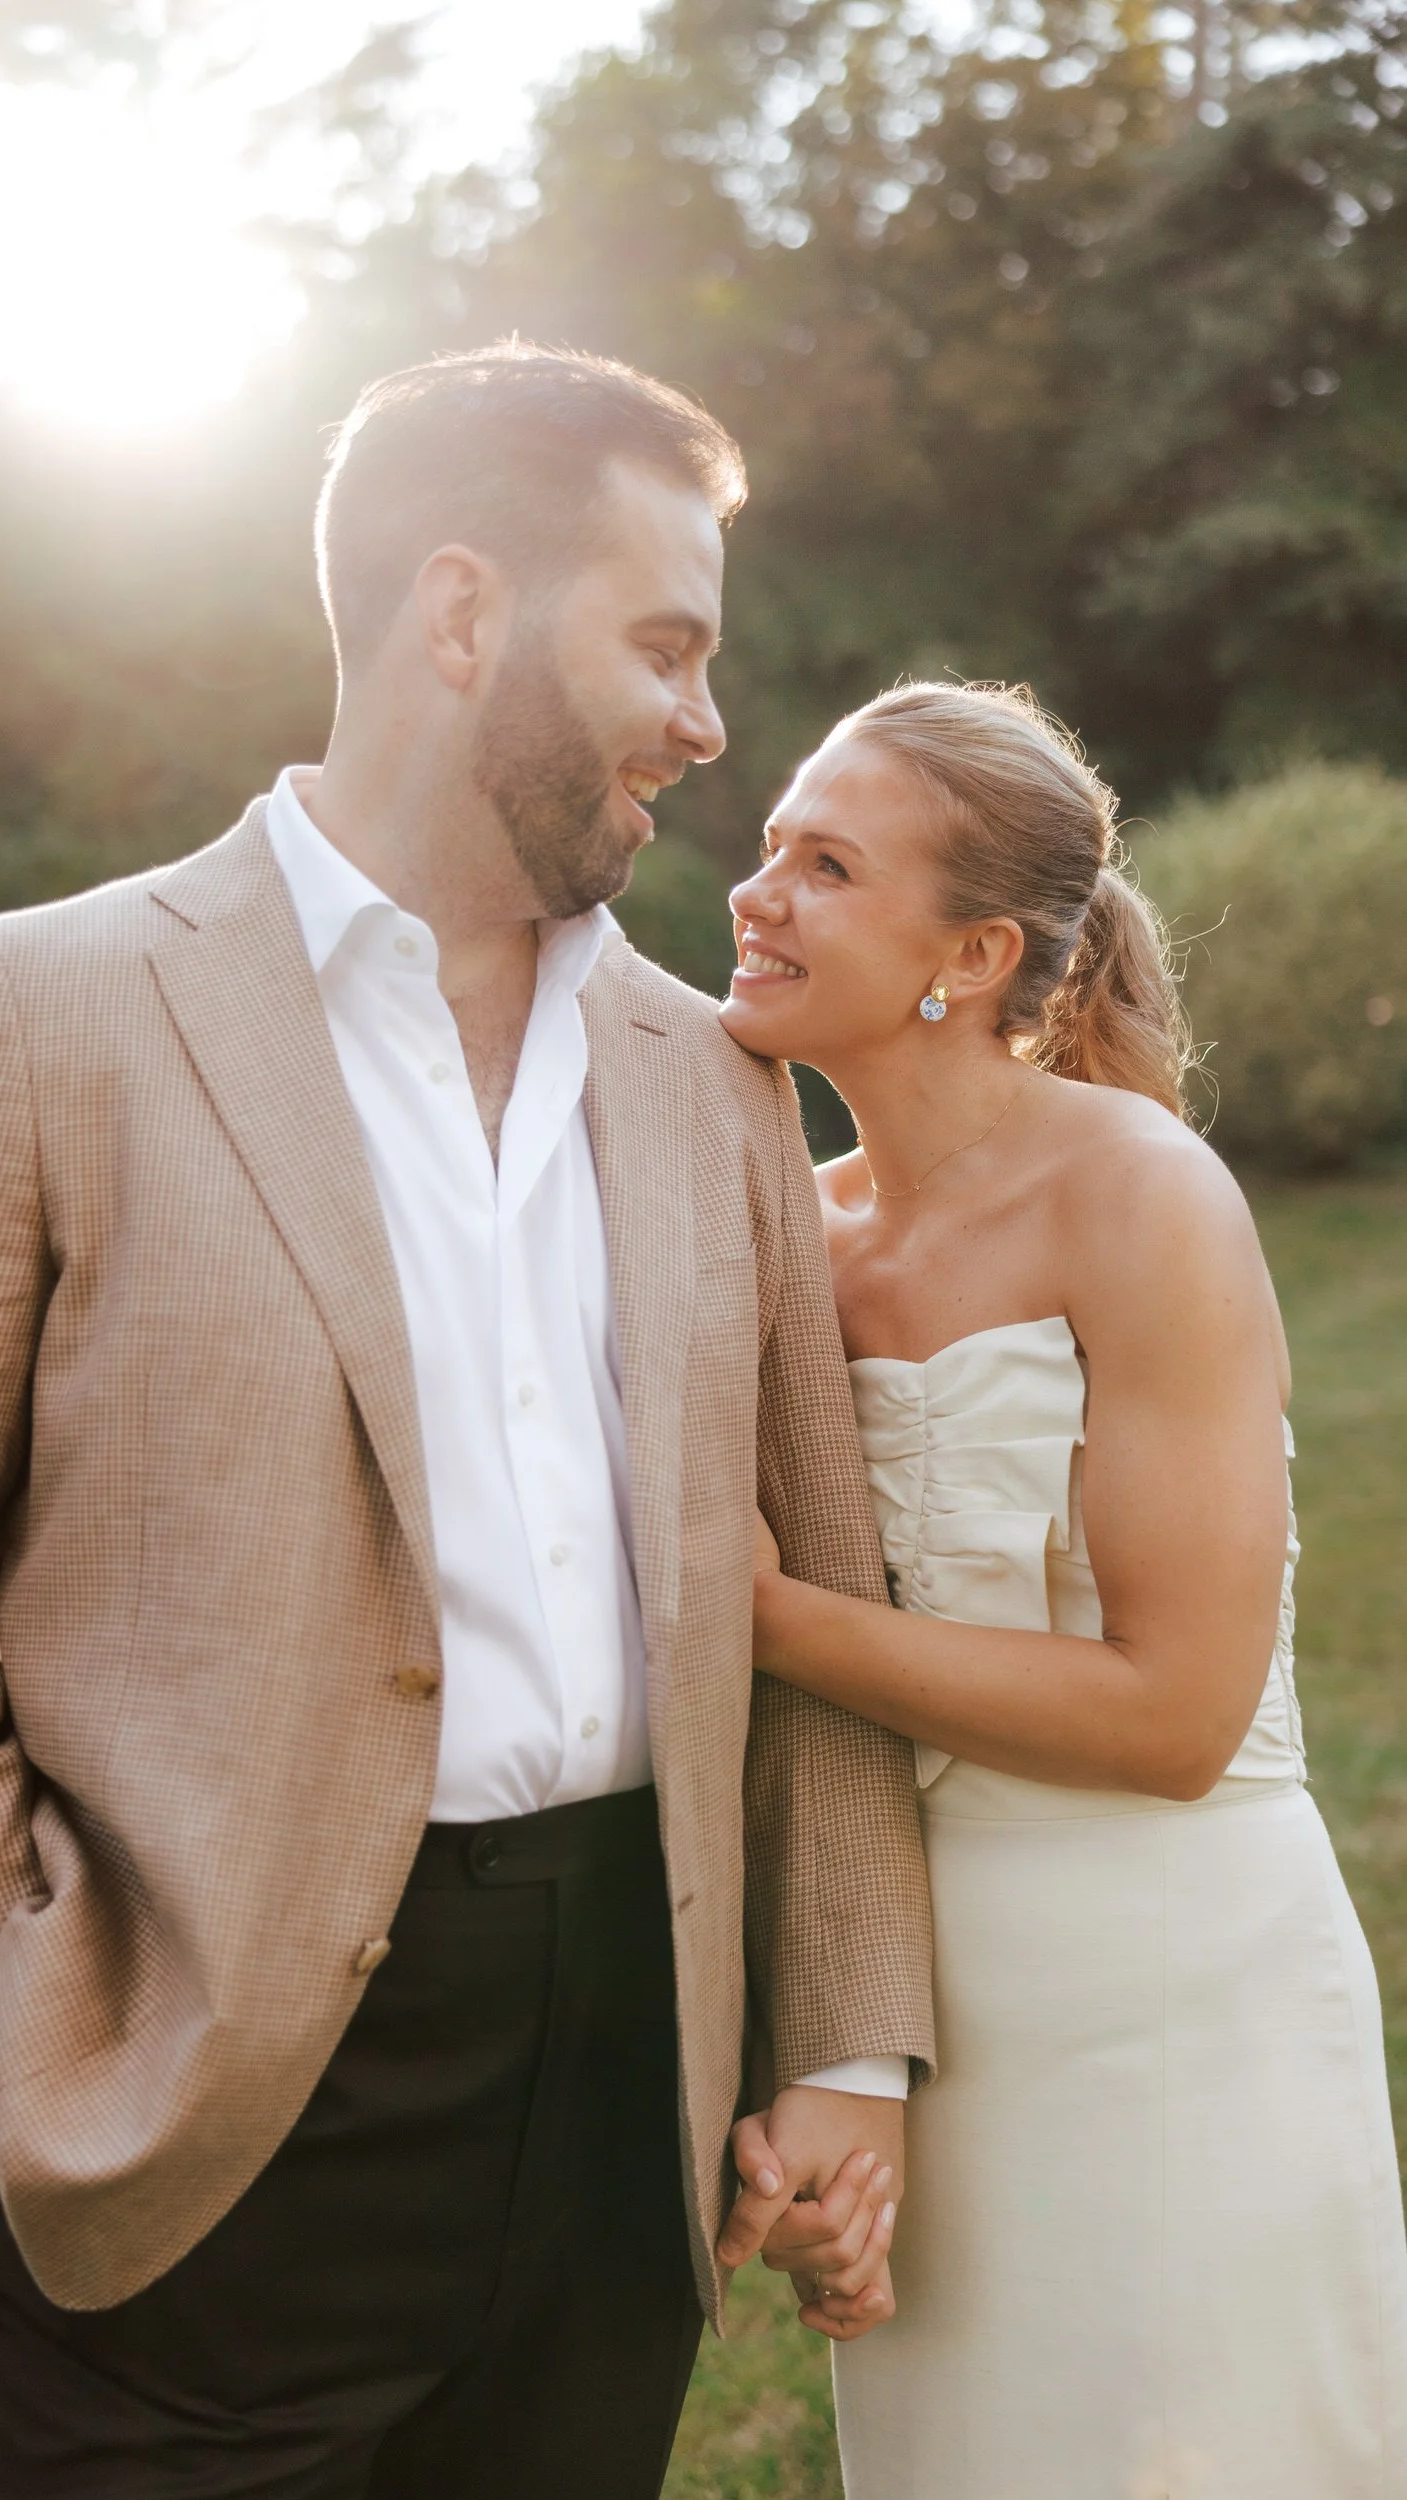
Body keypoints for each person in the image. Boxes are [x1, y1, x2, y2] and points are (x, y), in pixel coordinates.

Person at [0, 345, 932, 2500]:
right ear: (459, 615)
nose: (704, 720)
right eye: (662, 643)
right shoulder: (34, 1011)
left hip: (614, 2106)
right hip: (197, 2089)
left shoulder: (709, 1076)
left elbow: (809, 1557)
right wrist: (16, 1991)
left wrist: (839, 2035)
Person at [725, 680, 1407, 2499]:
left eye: (824, 864)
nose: (757, 891)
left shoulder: (1140, 1196)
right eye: (772, 845)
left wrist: (769, 1615)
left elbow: (1177, 1716)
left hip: (1172, 1989)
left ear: (971, 952)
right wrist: (820, 2043)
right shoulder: (793, 1234)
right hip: (919, 2009)